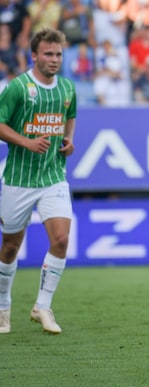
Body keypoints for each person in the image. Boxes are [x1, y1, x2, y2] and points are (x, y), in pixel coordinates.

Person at [0, 28, 77, 334]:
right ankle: (3, 306)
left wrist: (68, 140)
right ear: (34, 56)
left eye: (58, 54)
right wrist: (26, 142)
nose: (54, 59)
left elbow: (70, 115)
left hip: (53, 176)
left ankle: (42, 306)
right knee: (9, 248)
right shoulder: (18, 88)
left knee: (60, 240)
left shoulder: (68, 88)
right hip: (19, 179)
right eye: (48, 53)